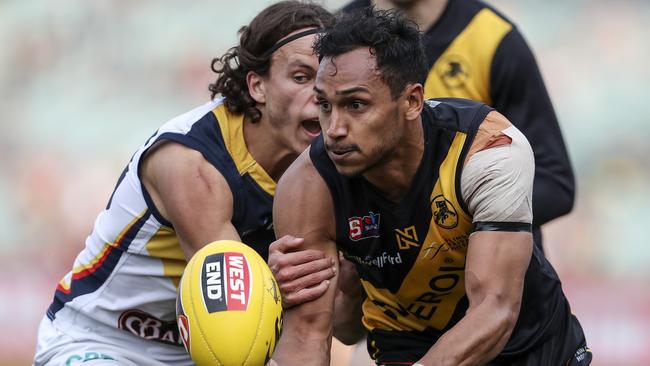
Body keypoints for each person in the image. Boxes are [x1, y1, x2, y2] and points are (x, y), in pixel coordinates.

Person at [270, 8, 591, 366]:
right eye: (325, 105)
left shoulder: (488, 148)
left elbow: (494, 310)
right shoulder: (306, 185)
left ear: (411, 101)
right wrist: (344, 291)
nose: (334, 129)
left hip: (528, 348)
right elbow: (310, 334)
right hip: (406, 344)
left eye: (356, 105)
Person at [33, 2, 336, 365]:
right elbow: (231, 308)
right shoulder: (191, 161)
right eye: (301, 77)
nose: (318, 95)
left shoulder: (332, 161)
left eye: (325, 81)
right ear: (257, 85)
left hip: (197, 352)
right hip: (104, 340)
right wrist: (276, 280)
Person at [340, 0, 575, 253]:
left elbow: (554, 183)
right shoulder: (336, 36)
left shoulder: (493, 39)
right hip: (380, 278)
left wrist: (460, 224)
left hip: (487, 274)